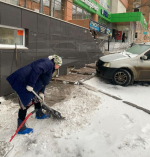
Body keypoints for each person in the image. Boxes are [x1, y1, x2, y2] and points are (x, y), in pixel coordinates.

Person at [7, 55, 62, 134]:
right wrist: (31, 84)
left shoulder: (51, 66)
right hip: (23, 81)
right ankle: (21, 128)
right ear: (55, 62)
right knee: (24, 103)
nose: (59, 67)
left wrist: (41, 92)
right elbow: (37, 69)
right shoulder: (48, 64)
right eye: (59, 65)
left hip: (31, 82)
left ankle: (39, 114)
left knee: (37, 98)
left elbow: (44, 80)